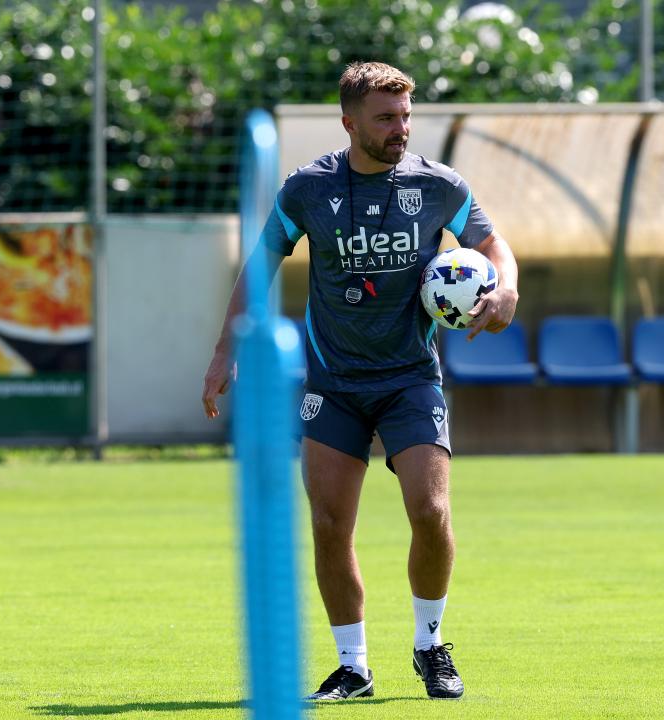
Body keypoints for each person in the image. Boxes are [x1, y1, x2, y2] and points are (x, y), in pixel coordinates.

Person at [202, 61, 519, 701]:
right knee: (328, 525)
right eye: (385, 118)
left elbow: (494, 246)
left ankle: (431, 647)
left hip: (410, 380)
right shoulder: (308, 189)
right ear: (350, 122)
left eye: (405, 116)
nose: (400, 128)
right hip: (333, 383)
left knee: (430, 511)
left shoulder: (438, 185)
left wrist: (506, 287)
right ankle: (353, 666)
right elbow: (257, 266)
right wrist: (223, 353)